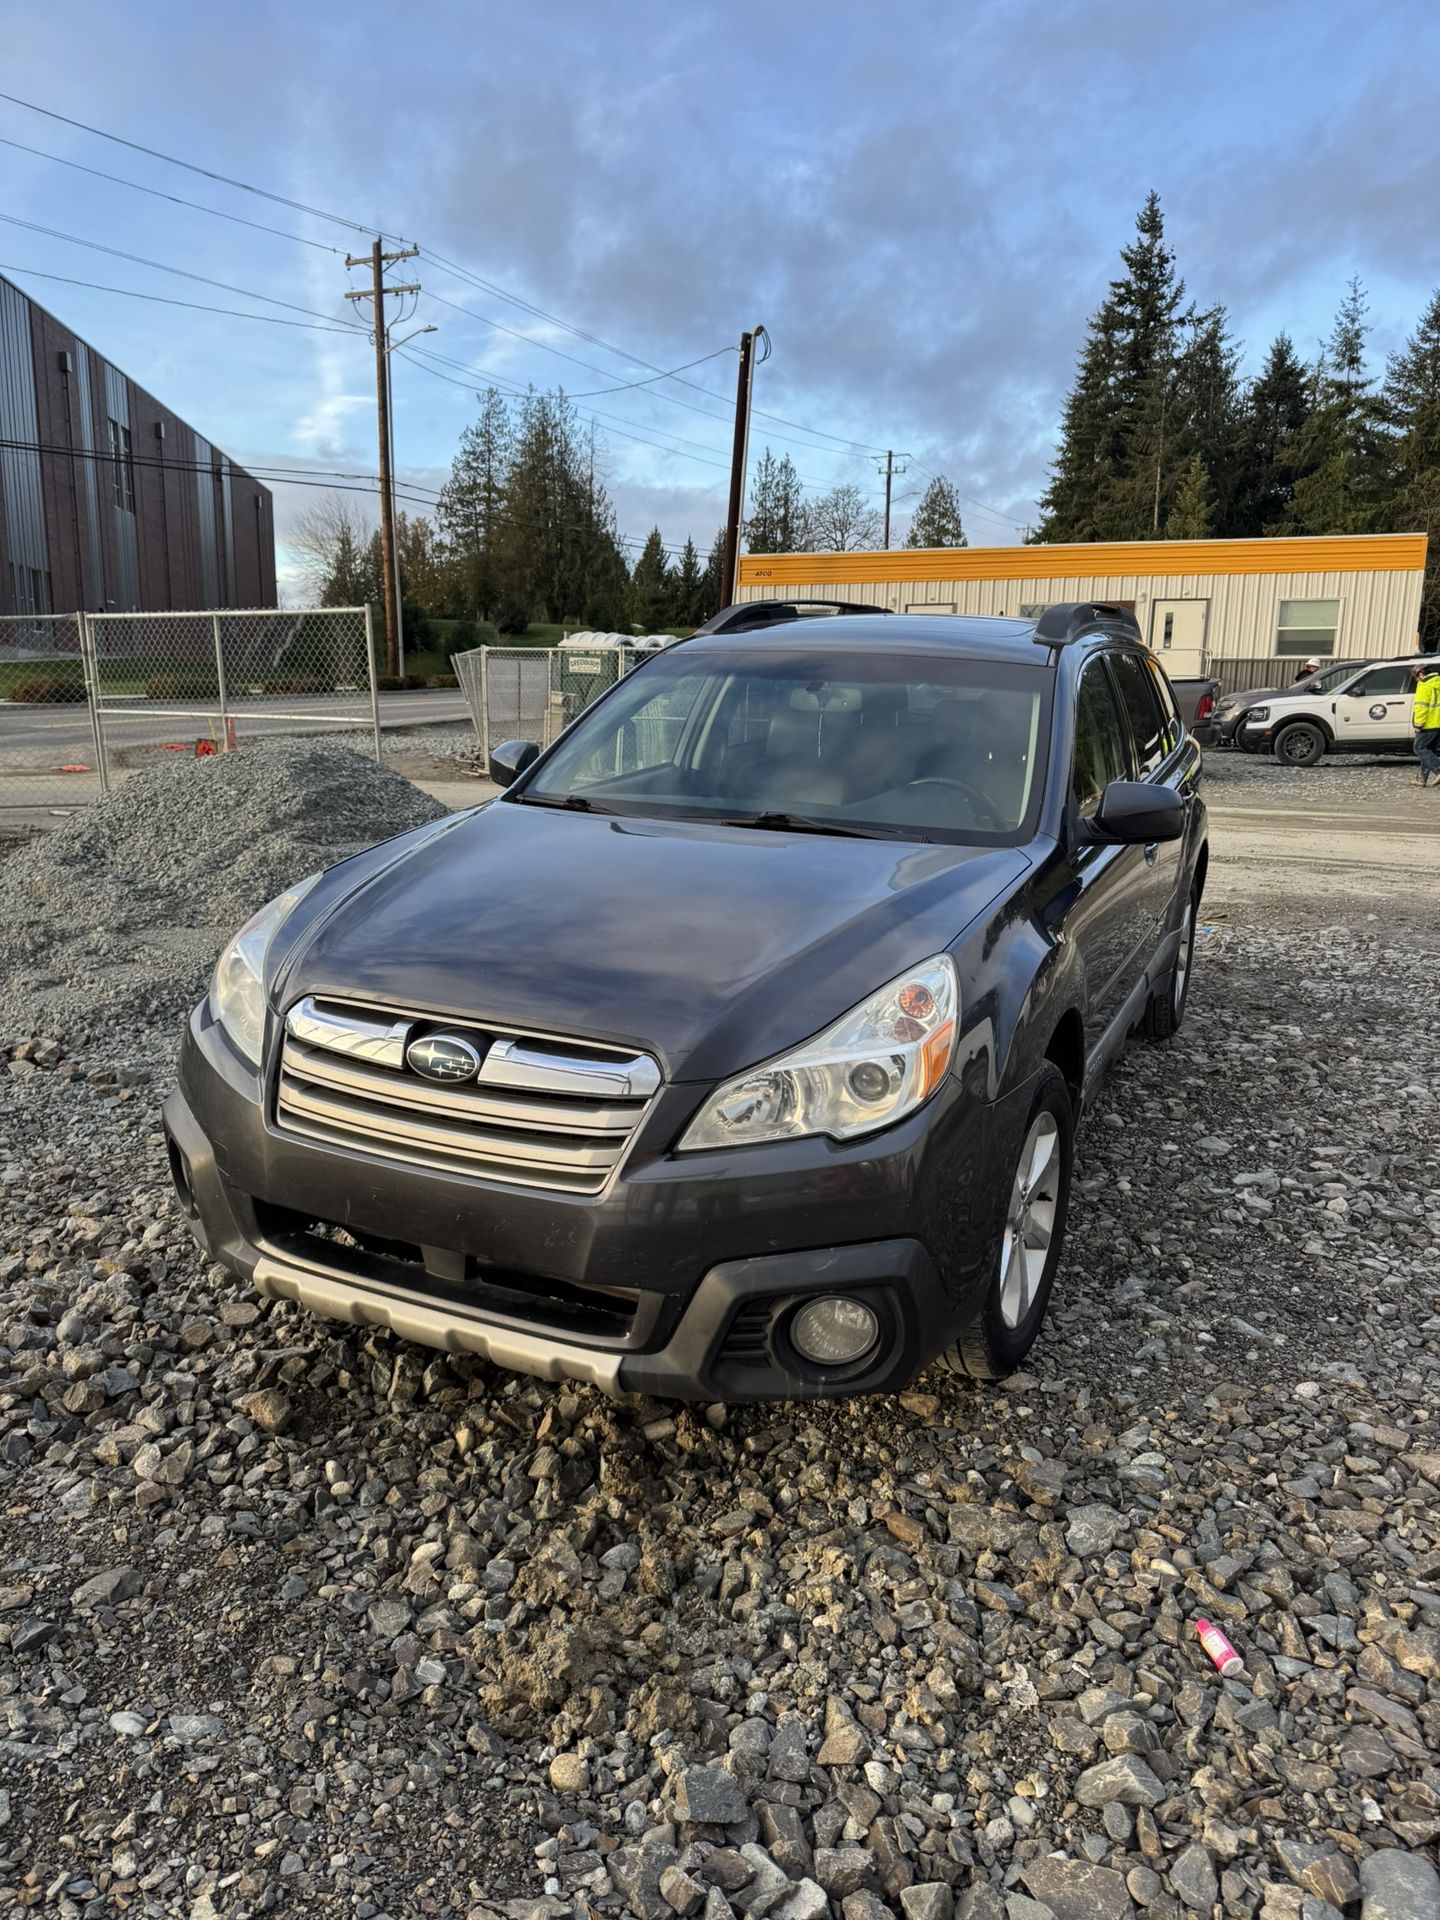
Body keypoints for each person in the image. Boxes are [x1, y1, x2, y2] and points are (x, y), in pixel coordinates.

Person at [1413, 661, 1440, 788]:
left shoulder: (1424, 686)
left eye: (1416, 677)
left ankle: (1438, 769)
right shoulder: (1438, 682)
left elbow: (1421, 707)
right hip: (1438, 724)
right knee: (1429, 750)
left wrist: (1418, 724)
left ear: (1421, 674)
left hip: (1428, 724)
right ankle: (1422, 779)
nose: (1417, 680)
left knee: (1419, 748)